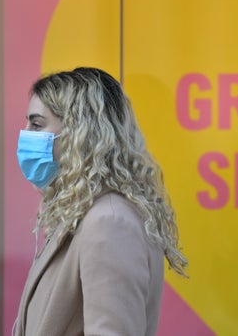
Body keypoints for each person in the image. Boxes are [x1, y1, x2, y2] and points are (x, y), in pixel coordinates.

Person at [13, 67, 187, 336]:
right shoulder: (81, 213)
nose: (24, 134)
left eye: (36, 124)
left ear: (79, 131)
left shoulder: (109, 221)